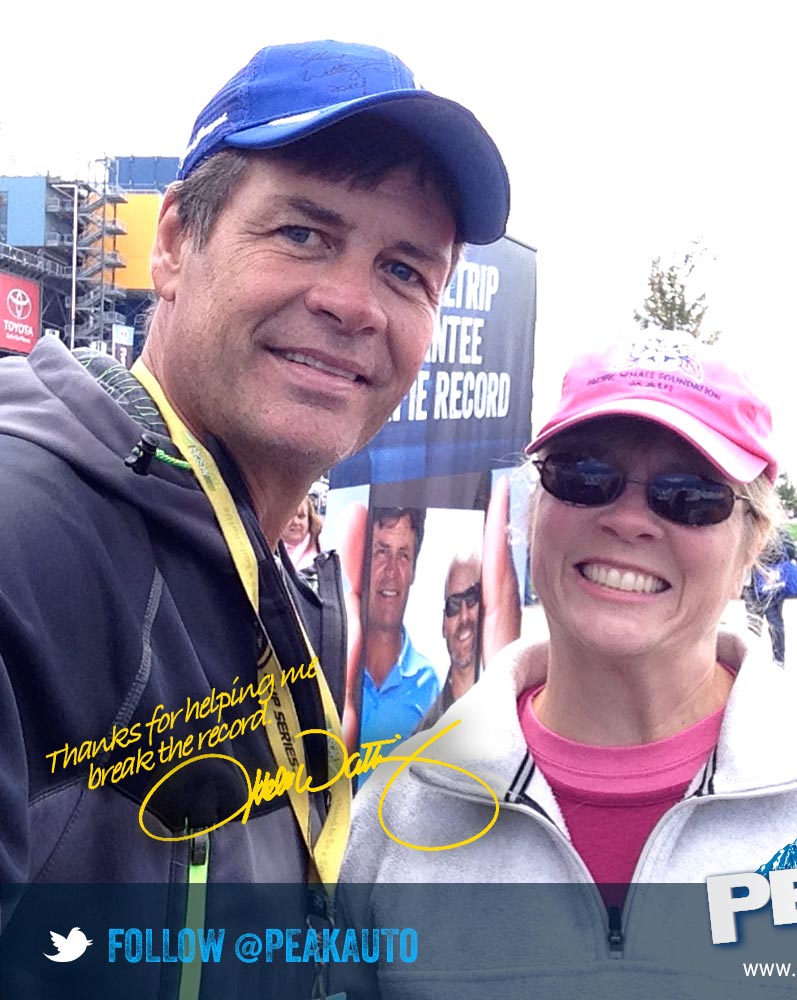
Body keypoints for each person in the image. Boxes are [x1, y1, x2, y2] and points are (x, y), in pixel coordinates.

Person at [0, 33, 508, 956]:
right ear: (172, 246)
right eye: (303, 234)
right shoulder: (21, 550)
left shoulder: (290, 597)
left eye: (405, 270)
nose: (355, 304)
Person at [335, 335, 797, 999]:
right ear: (536, 508)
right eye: (584, 474)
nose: (629, 521)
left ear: (751, 546)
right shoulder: (399, 812)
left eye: (690, 494)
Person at [359, 507, 439, 760]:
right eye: (381, 552)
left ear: (414, 570)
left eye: (403, 555)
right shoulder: (334, 667)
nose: (391, 572)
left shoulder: (430, 685)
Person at [419, 551, 483, 730]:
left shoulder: (515, 708)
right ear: (443, 625)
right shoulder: (425, 735)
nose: (464, 616)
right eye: (453, 605)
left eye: (472, 598)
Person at [742, 524, 797, 666]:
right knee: (773, 622)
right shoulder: (776, 528)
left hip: (759, 581)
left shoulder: (757, 528)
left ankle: (759, 658)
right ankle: (778, 659)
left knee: (757, 622)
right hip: (771, 581)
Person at [282, 494, 324, 575]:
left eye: (301, 516)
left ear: (309, 518)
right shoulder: (268, 550)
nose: (295, 522)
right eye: (289, 516)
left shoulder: (322, 545)